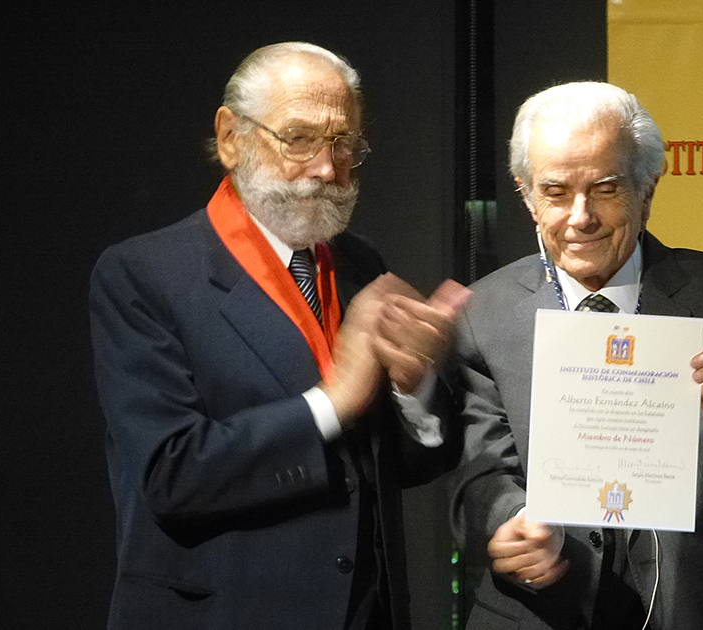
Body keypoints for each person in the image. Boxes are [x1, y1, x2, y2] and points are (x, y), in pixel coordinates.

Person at [90, 42, 469, 629]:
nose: (325, 168)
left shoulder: (359, 265)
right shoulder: (144, 274)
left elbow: (387, 467)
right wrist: (332, 401)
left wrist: (414, 391)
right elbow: (171, 474)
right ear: (231, 137)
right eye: (299, 139)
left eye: (344, 145)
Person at [448, 82, 703, 629]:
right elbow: (478, 470)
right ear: (526, 195)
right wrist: (511, 519)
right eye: (555, 193)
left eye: (605, 189)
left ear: (648, 188)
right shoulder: (483, 311)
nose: (580, 217)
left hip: (701, 611)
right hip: (540, 613)